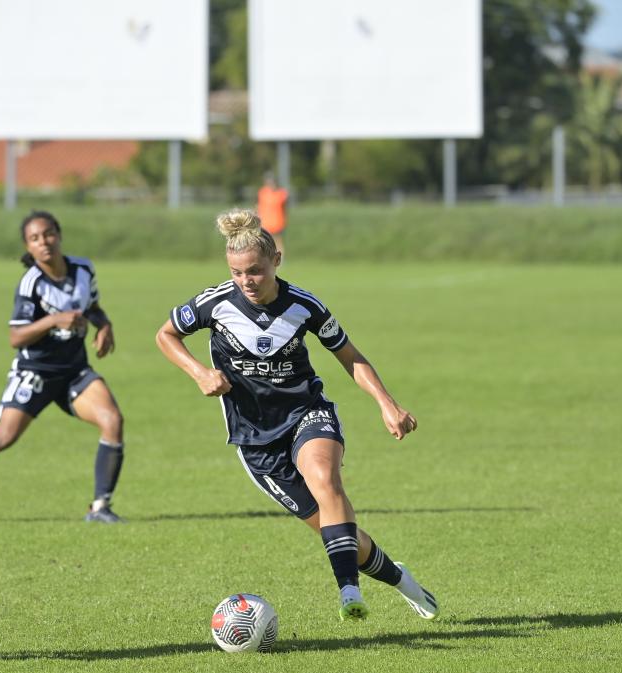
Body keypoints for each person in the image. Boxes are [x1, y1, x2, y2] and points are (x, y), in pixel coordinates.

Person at [155, 208, 438, 622]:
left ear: (276, 261)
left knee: (325, 479)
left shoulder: (304, 306)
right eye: (237, 273)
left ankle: (348, 592)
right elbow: (165, 334)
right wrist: (199, 372)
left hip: (307, 413)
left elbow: (350, 357)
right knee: (335, 530)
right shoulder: (213, 303)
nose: (247, 281)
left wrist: (386, 402)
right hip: (255, 440)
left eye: (255, 270)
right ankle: (401, 580)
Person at [0, 210, 127, 524]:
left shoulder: (83, 269)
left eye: (48, 234)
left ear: (59, 235)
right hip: (36, 372)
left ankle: (100, 507)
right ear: (28, 246)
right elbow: (15, 336)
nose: (44, 242)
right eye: (35, 238)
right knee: (3, 437)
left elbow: (92, 308)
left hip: (75, 371)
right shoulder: (31, 282)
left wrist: (104, 326)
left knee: (112, 420)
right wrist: (53, 320)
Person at [256, 173, 289, 256]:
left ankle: (279, 259)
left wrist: (285, 220)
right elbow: (258, 206)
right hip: (265, 222)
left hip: (278, 222)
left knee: (277, 242)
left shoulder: (281, 194)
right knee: (264, 241)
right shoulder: (262, 192)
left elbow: (285, 208)